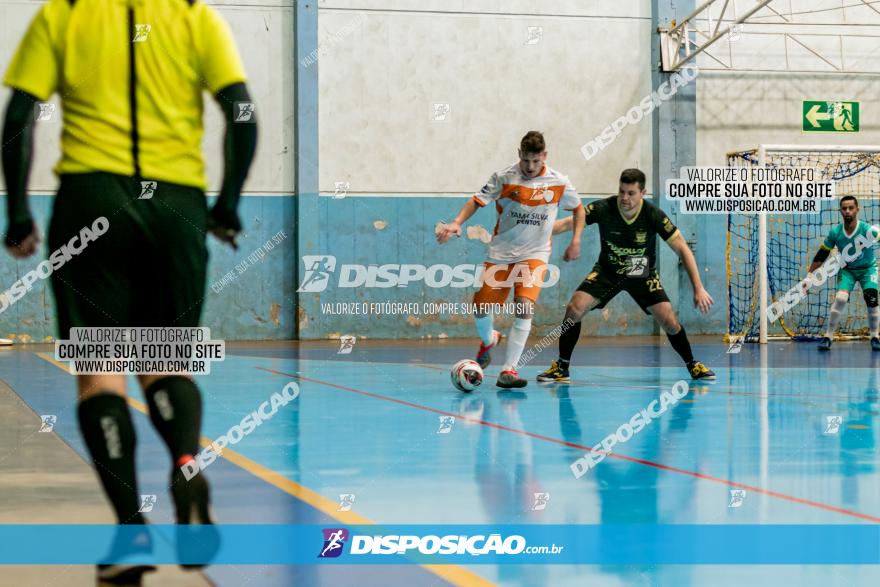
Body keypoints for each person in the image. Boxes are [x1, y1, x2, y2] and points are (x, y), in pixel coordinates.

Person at [1, 0, 258, 582]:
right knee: (164, 361)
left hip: (92, 203)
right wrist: (228, 204)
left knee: (101, 372)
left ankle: (131, 529)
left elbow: (20, 113)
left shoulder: (62, 17)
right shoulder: (195, 18)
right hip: (174, 204)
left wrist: (17, 211)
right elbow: (242, 111)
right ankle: (187, 462)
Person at [538, 168, 715, 382]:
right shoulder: (605, 207)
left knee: (668, 319)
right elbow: (570, 222)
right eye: (622, 192)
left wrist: (698, 287)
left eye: (631, 193)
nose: (624, 198)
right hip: (608, 269)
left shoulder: (653, 215)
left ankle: (693, 365)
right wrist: (536, 232)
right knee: (574, 308)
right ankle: (562, 367)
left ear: (642, 193)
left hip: (638, 269)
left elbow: (682, 249)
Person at [437, 131, 584, 388]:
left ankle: (509, 370)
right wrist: (457, 223)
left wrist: (576, 240)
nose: (529, 166)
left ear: (544, 157)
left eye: (535, 161)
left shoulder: (559, 182)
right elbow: (477, 200)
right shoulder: (504, 177)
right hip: (501, 254)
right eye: (526, 160)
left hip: (535, 254)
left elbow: (578, 208)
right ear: (519, 155)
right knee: (481, 307)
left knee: (524, 307)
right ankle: (489, 339)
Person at [807, 195, 879, 351]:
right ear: (840, 211)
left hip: (868, 269)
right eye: (844, 208)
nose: (847, 211)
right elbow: (822, 254)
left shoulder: (867, 230)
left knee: (872, 299)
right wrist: (810, 274)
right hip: (847, 270)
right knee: (840, 299)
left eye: (851, 208)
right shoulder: (835, 232)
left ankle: (875, 336)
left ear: (857, 210)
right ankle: (828, 337)